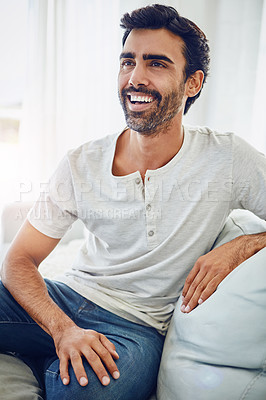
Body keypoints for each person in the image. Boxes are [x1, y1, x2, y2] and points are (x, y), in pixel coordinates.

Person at [1, 4, 266, 400]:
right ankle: (52, 349)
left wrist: (240, 247)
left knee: (87, 393)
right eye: (128, 62)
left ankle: (45, 359)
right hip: (64, 300)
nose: (135, 78)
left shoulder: (227, 158)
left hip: (133, 329)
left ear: (192, 83)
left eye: (156, 64)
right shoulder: (81, 162)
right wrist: (64, 330)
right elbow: (19, 261)